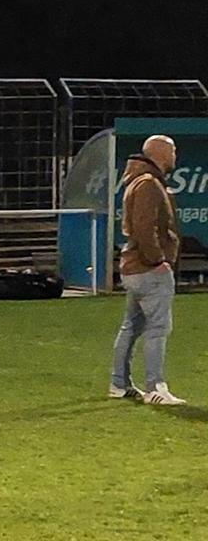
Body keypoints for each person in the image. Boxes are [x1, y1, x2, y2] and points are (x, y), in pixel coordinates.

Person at [112, 135, 185, 405]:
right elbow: (145, 228)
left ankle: (119, 383)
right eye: (173, 150)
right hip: (147, 269)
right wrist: (158, 261)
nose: (176, 155)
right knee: (158, 328)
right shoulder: (148, 184)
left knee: (130, 326)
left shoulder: (139, 181)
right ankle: (156, 387)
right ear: (161, 153)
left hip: (135, 268)